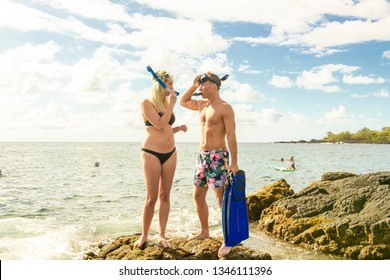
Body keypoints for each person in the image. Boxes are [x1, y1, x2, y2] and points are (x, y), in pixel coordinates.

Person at [180, 71, 239, 258]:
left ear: (214, 85)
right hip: (202, 156)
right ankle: (204, 231)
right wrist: (194, 83)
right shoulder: (201, 105)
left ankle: (228, 239)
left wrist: (234, 163)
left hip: (219, 156)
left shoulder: (225, 107)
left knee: (221, 200)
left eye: (203, 85)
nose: (200, 88)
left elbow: (231, 136)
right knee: (198, 196)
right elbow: (183, 100)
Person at [134, 70, 187, 248]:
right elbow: (158, 124)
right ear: (160, 84)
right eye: (170, 84)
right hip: (151, 153)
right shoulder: (146, 103)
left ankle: (162, 235)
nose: (172, 87)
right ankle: (144, 235)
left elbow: (166, 129)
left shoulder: (166, 102)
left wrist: (178, 128)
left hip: (170, 152)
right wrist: (172, 104)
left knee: (165, 195)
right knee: (151, 198)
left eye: (173, 84)